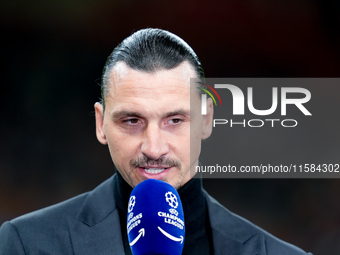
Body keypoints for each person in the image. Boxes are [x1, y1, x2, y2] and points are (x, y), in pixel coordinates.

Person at [0, 28, 312, 255]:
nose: (153, 148)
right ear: (101, 123)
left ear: (206, 121)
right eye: (132, 121)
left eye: (175, 121)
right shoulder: (27, 243)